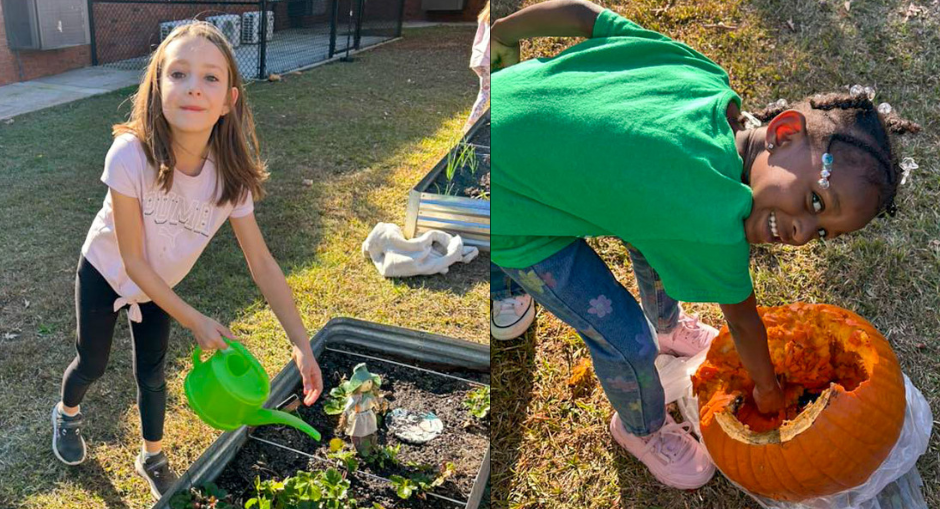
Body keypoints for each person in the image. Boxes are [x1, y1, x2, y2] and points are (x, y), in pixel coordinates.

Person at [489, 0, 920, 489]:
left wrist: (503, 33)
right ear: (783, 133)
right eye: (815, 203)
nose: (801, 232)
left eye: (821, 233)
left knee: (653, 228)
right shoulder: (710, 217)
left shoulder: (704, 78)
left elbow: (585, 17)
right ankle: (641, 429)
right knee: (625, 341)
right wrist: (769, 392)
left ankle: (667, 324)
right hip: (503, 207)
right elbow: (742, 319)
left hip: (499, 102)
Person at [50, 21, 324, 500]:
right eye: (178, 74)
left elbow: (262, 264)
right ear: (157, 87)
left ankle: (152, 454)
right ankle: (67, 414)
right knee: (92, 362)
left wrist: (300, 342)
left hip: (162, 288)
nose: (194, 87)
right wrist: (196, 319)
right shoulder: (129, 155)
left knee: (152, 371)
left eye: (211, 78)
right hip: (107, 272)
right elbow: (133, 261)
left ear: (229, 101)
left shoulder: (230, 178)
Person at [463, 1, 491, 133]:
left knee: (486, 92)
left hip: (478, 59)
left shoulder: (484, 17)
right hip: (488, 60)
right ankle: (470, 125)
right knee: (485, 94)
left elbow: (478, 39)